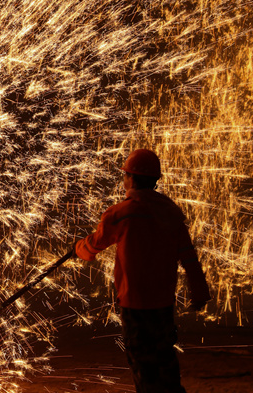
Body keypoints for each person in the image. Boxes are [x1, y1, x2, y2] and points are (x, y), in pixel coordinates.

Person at [75, 148, 211, 393]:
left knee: (141, 362)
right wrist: (199, 292)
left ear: (131, 178)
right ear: (155, 179)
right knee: (164, 359)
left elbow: (94, 245)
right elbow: (189, 259)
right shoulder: (171, 213)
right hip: (162, 303)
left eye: (125, 174)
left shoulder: (119, 214)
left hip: (134, 304)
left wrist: (79, 248)